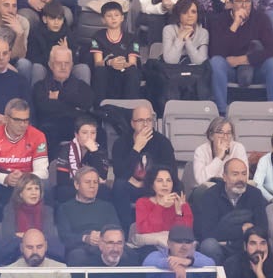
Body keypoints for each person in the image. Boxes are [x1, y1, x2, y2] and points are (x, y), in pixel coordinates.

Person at [208, 0, 273, 114]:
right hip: (230, 69)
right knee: (216, 62)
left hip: (256, 67)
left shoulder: (261, 19)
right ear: (230, 3)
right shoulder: (219, 20)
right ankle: (220, 113)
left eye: (247, 1)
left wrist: (244, 59)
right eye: (239, 1)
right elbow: (216, 52)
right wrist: (235, 25)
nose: (244, 5)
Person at [0, 98, 48, 224]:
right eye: (18, 120)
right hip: (1, 176)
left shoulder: (38, 136)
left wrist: (24, 178)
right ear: (6, 119)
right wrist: (5, 178)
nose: (23, 125)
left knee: (45, 184)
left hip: (27, 176)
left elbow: (43, 171)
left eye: (26, 120)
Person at [110, 101, 175, 230]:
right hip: (131, 188)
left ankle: (167, 229)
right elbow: (119, 173)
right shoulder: (121, 143)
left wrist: (148, 182)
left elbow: (170, 170)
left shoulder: (163, 142)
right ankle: (127, 230)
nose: (145, 124)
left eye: (149, 120)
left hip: (154, 187)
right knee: (119, 186)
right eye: (140, 120)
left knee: (176, 186)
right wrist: (136, 149)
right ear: (132, 123)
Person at [194, 158, 269, 263]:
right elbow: (207, 232)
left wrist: (226, 229)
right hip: (222, 247)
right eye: (235, 174)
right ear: (224, 177)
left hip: (247, 246)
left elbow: (263, 228)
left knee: (271, 245)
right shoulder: (210, 196)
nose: (241, 179)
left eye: (244, 174)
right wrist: (242, 230)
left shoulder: (255, 194)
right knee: (209, 245)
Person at [33, 45, 94, 162]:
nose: (63, 67)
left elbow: (88, 102)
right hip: (51, 126)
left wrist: (59, 96)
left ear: (72, 65)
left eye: (67, 63)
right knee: (47, 131)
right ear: (51, 65)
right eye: (58, 63)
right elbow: (43, 107)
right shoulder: (41, 86)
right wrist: (74, 106)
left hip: (77, 125)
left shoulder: (80, 85)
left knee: (97, 132)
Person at [0, 175, 63, 265]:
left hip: (42, 252)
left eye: (37, 189)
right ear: (20, 193)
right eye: (29, 189)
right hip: (15, 250)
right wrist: (33, 238)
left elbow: (49, 236)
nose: (34, 193)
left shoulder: (47, 210)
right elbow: (9, 235)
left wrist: (24, 236)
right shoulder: (10, 209)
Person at [58, 165, 120, 263]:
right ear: (77, 185)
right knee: (77, 256)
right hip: (80, 248)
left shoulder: (107, 207)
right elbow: (64, 237)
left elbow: (117, 231)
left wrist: (103, 238)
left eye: (95, 182)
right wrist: (85, 238)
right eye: (88, 182)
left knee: (127, 255)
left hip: (106, 246)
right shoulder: (65, 208)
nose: (92, 186)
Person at [89, 0, 140, 101]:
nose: (113, 18)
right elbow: (97, 63)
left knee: (133, 71)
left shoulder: (131, 38)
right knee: (100, 71)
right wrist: (110, 62)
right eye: (109, 16)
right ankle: (100, 109)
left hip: (124, 71)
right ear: (103, 20)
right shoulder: (97, 37)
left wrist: (122, 64)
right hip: (107, 71)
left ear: (122, 18)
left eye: (116, 15)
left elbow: (133, 62)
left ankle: (130, 107)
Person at [132, 166, 193, 249]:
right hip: (151, 248)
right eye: (159, 181)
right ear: (152, 184)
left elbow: (184, 235)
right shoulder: (142, 202)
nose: (165, 184)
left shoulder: (182, 203)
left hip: (177, 250)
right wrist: (159, 206)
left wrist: (178, 213)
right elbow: (144, 230)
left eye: (168, 180)